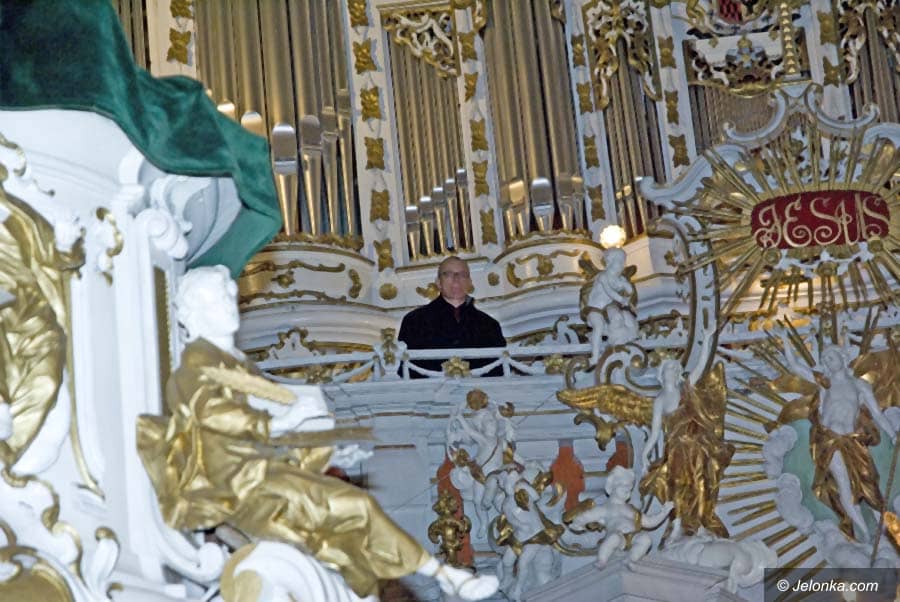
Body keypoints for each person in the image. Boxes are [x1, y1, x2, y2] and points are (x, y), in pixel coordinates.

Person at [136, 266, 499, 600]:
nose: (229, 306)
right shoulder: (199, 359)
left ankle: (441, 576)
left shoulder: (237, 361)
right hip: (236, 482)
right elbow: (214, 414)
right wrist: (285, 421)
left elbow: (274, 421)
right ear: (194, 313)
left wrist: (329, 446)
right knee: (352, 509)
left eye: (229, 296)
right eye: (218, 300)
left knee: (355, 516)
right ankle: (442, 576)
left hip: (262, 469)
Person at [780, 334, 896, 542]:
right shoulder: (825, 383)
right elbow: (795, 366)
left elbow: (877, 415)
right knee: (843, 484)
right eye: (824, 359)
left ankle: (881, 530)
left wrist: (894, 436)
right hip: (829, 440)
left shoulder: (859, 386)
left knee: (869, 484)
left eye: (831, 357)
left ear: (842, 358)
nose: (827, 362)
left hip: (853, 441)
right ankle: (863, 534)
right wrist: (785, 341)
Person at [399, 256, 505, 376]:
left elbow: (498, 372)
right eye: (448, 274)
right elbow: (405, 370)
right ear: (438, 282)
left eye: (462, 274)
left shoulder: (489, 325)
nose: (456, 279)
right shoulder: (414, 321)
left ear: (469, 282)